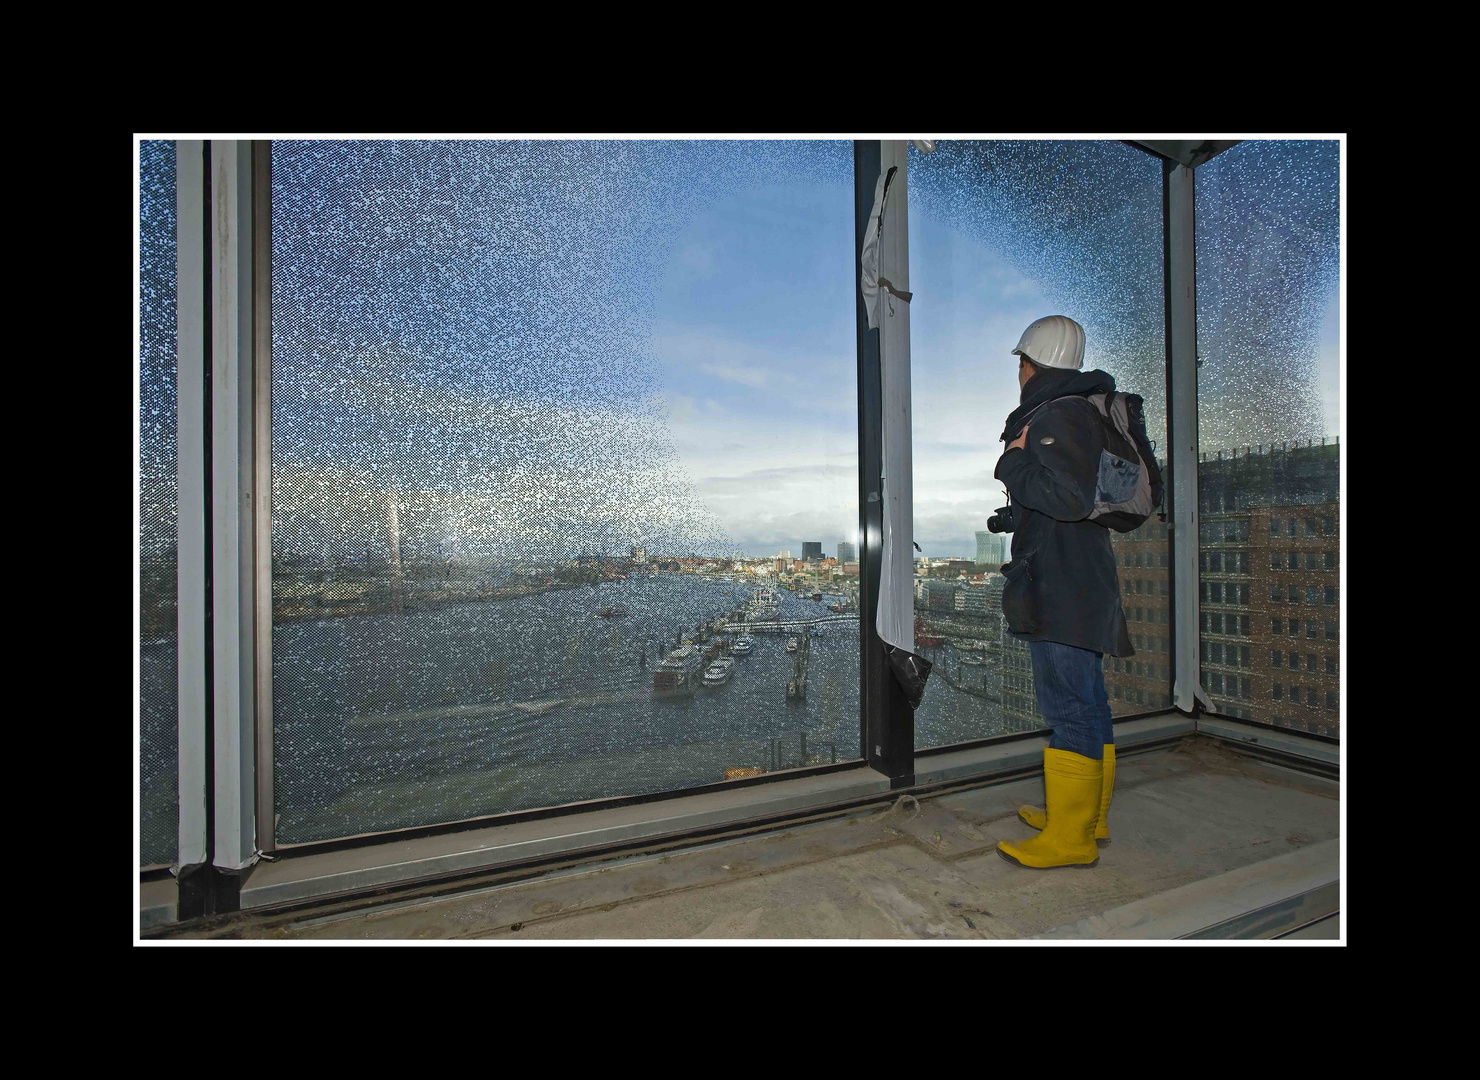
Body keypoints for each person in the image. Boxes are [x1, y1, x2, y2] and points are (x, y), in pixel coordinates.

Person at [993, 315, 1131, 870]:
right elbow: (1070, 501)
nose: (1018, 373)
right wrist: (1016, 515)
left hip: (1062, 584)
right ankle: (1086, 817)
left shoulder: (1060, 413)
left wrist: (1013, 461)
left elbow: (1069, 498)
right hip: (1082, 574)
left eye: (1020, 362)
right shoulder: (1085, 410)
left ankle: (1069, 838)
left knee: (1067, 704)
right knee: (1089, 700)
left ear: (1032, 365)